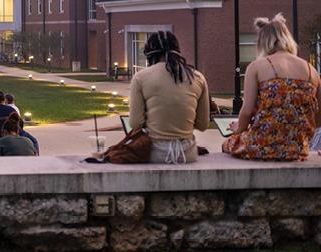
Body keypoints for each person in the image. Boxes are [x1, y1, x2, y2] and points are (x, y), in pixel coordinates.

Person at [223, 14, 319, 161]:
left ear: (263, 42)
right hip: (297, 148)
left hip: (262, 145)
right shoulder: (311, 70)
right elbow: (318, 117)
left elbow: (247, 110)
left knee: (227, 144)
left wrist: (238, 129)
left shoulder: (256, 67)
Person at [129, 31, 209, 164]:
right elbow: (203, 124)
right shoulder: (198, 77)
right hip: (188, 154)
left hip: (155, 153)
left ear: (149, 54)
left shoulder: (141, 77)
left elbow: (135, 123)